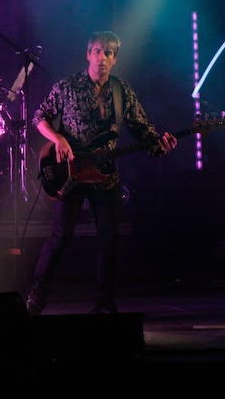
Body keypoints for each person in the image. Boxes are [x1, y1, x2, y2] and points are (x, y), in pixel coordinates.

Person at [26, 31, 178, 316]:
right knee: (60, 237)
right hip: (70, 172)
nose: (101, 57)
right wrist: (58, 138)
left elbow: (144, 134)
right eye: (96, 51)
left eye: (108, 53)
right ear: (88, 55)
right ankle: (37, 296)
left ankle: (104, 304)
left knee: (109, 239)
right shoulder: (68, 87)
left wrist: (162, 145)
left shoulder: (123, 92)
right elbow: (39, 117)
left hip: (105, 174)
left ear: (115, 59)